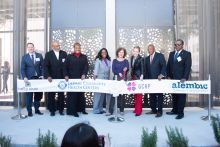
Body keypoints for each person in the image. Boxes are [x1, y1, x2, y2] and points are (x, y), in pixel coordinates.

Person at [166, 39, 192, 119]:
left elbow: (188, 67)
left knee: (181, 96)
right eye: (176, 44)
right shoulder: (172, 53)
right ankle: (174, 110)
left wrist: (184, 77)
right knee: (174, 95)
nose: (177, 46)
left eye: (178, 44)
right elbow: (168, 66)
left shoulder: (187, 54)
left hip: (181, 79)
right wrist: (168, 76)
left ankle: (180, 113)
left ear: (182, 45)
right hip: (172, 79)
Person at [64, 42, 89, 117]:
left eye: (79, 48)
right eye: (76, 47)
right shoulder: (69, 56)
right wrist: (66, 75)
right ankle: (73, 111)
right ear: (74, 48)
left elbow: (86, 67)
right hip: (71, 79)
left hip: (81, 79)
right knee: (73, 96)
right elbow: (65, 67)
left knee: (81, 95)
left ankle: (82, 109)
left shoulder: (84, 56)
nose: (78, 49)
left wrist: (84, 74)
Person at [44, 41, 67, 116]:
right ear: (52, 47)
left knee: (61, 95)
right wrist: (48, 76)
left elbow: (65, 66)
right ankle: (52, 110)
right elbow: (46, 66)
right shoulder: (48, 54)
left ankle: (61, 110)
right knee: (51, 95)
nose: (58, 47)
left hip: (61, 77)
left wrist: (66, 75)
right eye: (56, 46)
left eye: (58, 45)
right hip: (52, 78)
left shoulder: (64, 53)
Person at [20, 43, 44, 117]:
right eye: (29, 47)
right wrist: (24, 77)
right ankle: (29, 111)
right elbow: (22, 69)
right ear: (27, 48)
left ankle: (37, 110)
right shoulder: (24, 57)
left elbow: (42, 66)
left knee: (38, 95)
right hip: (29, 79)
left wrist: (42, 75)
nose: (30, 48)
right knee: (29, 96)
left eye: (32, 47)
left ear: (34, 47)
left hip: (38, 78)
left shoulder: (39, 55)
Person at [144, 44, 166, 117]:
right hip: (150, 80)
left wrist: (162, 74)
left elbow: (164, 66)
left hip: (158, 80)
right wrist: (145, 79)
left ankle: (159, 111)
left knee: (159, 95)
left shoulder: (160, 56)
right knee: (152, 95)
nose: (149, 50)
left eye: (151, 48)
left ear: (154, 49)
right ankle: (153, 110)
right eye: (148, 49)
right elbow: (146, 70)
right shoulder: (147, 58)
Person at [109, 47, 129, 115]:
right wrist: (118, 73)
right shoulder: (114, 60)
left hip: (123, 79)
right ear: (118, 53)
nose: (121, 53)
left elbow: (127, 68)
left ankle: (121, 110)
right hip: (116, 78)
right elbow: (113, 70)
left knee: (122, 95)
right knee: (113, 94)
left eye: (122, 52)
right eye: (120, 52)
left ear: (124, 53)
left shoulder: (126, 61)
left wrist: (126, 69)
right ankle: (110, 111)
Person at [93, 48, 111, 115]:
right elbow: (96, 68)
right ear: (100, 53)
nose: (104, 53)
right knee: (97, 95)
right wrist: (95, 75)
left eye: (105, 52)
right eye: (102, 52)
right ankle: (95, 109)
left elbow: (108, 71)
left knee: (102, 96)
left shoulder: (108, 61)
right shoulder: (98, 60)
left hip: (106, 80)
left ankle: (100, 109)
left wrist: (108, 79)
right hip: (99, 79)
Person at [130, 46, 144, 116]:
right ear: (133, 51)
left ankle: (138, 111)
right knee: (135, 94)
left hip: (138, 77)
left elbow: (142, 68)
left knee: (139, 95)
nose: (135, 52)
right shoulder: (132, 57)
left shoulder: (141, 59)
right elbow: (132, 68)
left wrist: (142, 75)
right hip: (133, 77)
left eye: (136, 51)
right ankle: (136, 109)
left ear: (139, 52)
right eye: (134, 51)